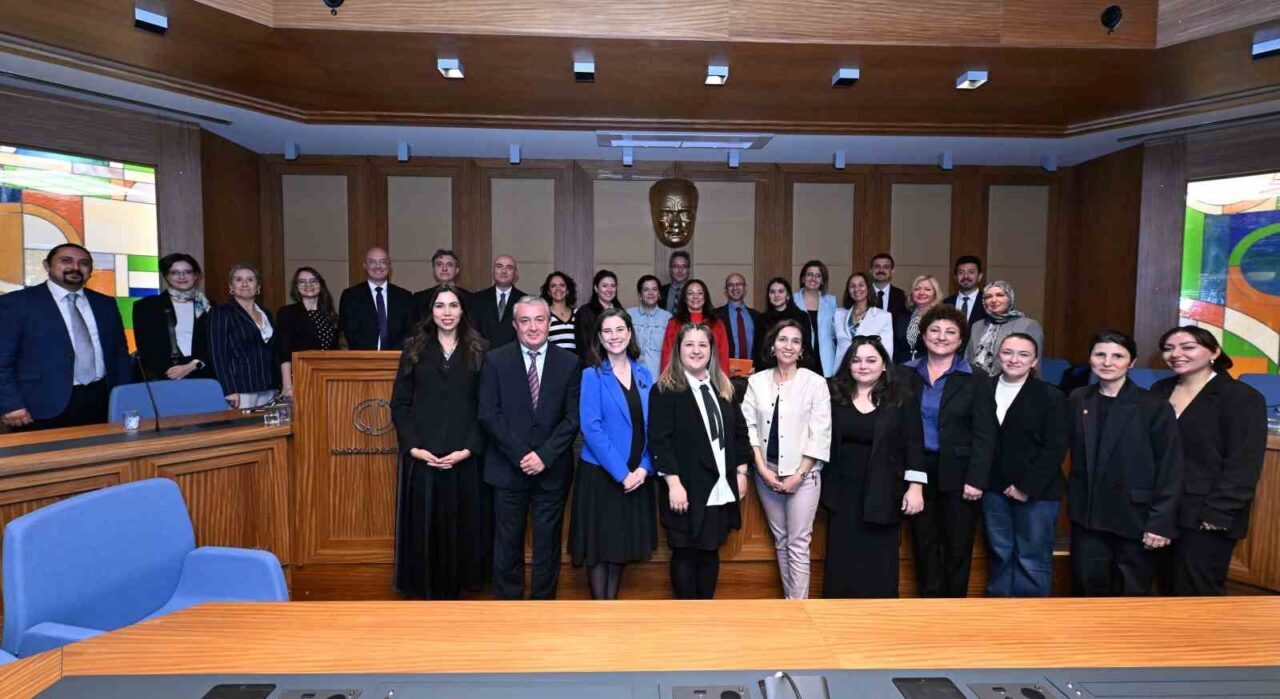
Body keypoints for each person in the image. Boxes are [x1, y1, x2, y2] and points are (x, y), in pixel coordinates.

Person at [1151, 326, 1267, 596]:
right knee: (1164, 587)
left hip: (1208, 513)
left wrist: (1220, 513)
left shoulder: (1242, 397)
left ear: (1214, 351)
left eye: (1188, 347)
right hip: (1163, 510)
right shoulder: (1159, 390)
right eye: (1169, 348)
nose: (1176, 354)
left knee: (1198, 591)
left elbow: (1243, 464)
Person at [390, 284, 489, 599]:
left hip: (464, 454)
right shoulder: (413, 348)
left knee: (464, 526)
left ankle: (462, 587)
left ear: (463, 311)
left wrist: (469, 448)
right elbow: (400, 404)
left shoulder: (480, 348)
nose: (447, 313)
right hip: (424, 454)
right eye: (440, 306)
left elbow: (486, 406)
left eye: (453, 306)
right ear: (430, 312)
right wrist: (414, 447)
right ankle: (424, 588)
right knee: (425, 526)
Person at [479, 295, 580, 599]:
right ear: (514, 325)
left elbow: (573, 418)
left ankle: (542, 605)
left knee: (548, 542)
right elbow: (488, 414)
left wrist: (544, 456)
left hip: (552, 470)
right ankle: (509, 606)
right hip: (507, 468)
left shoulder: (570, 362)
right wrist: (522, 455)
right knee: (508, 540)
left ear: (549, 324)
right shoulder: (496, 360)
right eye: (525, 321)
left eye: (539, 320)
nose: (533, 327)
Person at [1067, 330, 1182, 597]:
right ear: (1091, 359)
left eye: (1118, 356)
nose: (1108, 362)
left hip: (1136, 518)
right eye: (1100, 355)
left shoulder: (1153, 405)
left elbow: (1170, 467)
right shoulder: (1078, 398)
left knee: (1131, 595)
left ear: (1131, 363)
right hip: (1088, 517)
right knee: (1087, 589)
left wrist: (1160, 522)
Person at [649, 322, 750, 599]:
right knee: (684, 551)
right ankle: (686, 619)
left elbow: (740, 433)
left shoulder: (724, 387)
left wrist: (741, 473)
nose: (696, 350)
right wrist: (673, 483)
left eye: (702, 345)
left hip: (719, 484)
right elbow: (660, 441)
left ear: (711, 350)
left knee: (709, 549)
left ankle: (707, 613)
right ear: (678, 350)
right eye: (689, 345)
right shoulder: (664, 390)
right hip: (684, 486)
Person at [900, 305, 996, 597]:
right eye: (935, 330)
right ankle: (930, 608)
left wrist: (977, 478)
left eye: (950, 332)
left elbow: (985, 432)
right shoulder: (905, 374)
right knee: (924, 545)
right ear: (924, 335)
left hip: (961, 474)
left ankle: (955, 611)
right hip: (917, 470)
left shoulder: (977, 378)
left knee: (957, 547)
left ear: (961, 338)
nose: (942, 337)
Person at [822, 336, 925, 598]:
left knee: (879, 559)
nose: (863, 366)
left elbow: (914, 443)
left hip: (884, 488)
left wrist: (915, 487)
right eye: (856, 360)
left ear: (883, 366)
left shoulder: (902, 397)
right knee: (842, 556)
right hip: (841, 491)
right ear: (848, 365)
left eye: (871, 360)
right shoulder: (832, 394)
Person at [568, 308, 658, 599]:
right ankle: (600, 609)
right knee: (599, 548)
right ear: (599, 337)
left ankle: (612, 607)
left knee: (620, 547)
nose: (614, 336)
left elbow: (653, 426)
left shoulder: (644, 373)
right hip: (602, 476)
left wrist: (644, 468)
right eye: (607, 331)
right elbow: (591, 429)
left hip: (637, 476)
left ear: (630, 333)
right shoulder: (592, 375)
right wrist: (622, 474)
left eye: (620, 329)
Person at [741, 320, 831, 598]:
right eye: (783, 340)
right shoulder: (756, 382)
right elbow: (749, 427)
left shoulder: (815, 383)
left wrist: (799, 475)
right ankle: (789, 604)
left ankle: (800, 607)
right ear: (772, 345)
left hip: (803, 476)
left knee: (798, 542)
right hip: (766, 473)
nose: (788, 346)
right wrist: (760, 469)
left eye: (795, 341)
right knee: (781, 540)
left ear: (802, 349)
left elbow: (821, 432)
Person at [0, 243, 130, 430]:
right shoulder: (16, 304)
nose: (75, 268)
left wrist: (125, 397)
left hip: (101, 401)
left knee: (101, 457)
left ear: (90, 270)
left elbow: (120, 355)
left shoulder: (105, 304)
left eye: (84, 263)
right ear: (47, 265)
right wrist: (11, 404)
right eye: (66, 261)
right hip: (39, 406)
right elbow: (3, 360)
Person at [981, 333, 1067, 597]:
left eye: (1023, 354)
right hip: (994, 489)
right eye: (1007, 352)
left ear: (1034, 361)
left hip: (1037, 493)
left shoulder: (1050, 395)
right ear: (998, 355)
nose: (1013, 359)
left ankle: (1030, 621)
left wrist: (1024, 486)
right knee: (1000, 553)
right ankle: (1000, 614)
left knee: (1032, 558)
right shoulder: (983, 388)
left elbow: (1055, 448)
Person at [208, 263, 280, 409]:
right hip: (240, 389)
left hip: (269, 387)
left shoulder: (267, 313)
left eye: (250, 279)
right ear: (231, 286)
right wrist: (229, 389)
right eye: (239, 279)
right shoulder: (221, 312)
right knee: (243, 430)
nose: (245, 284)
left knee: (268, 430)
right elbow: (217, 354)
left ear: (258, 286)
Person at [132, 252, 212, 382]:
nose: (182, 276)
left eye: (188, 272)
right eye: (174, 272)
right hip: (165, 377)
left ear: (196, 275)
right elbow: (147, 347)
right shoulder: (146, 306)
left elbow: (216, 345)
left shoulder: (209, 307)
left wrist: (193, 365)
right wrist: (172, 372)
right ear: (166, 276)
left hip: (204, 375)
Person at [276, 267, 340, 399]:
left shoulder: (330, 315)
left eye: (313, 281)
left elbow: (334, 351)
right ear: (296, 286)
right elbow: (284, 352)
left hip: (326, 377)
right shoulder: (288, 313)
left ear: (320, 284)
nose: (308, 285)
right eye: (302, 282)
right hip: (300, 378)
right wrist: (287, 385)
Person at [338, 247, 414, 350]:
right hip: (361, 360)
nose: (378, 266)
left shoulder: (405, 297)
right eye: (372, 262)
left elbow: (410, 332)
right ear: (365, 265)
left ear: (389, 266)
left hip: (397, 359)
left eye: (383, 262)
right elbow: (349, 331)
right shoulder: (350, 296)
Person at [966, 281, 1044, 377]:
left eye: (1000, 295)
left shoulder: (1028, 325)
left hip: (1011, 384)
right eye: (988, 297)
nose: (993, 300)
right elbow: (968, 358)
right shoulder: (977, 325)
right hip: (975, 383)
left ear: (1009, 298)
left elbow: (1034, 365)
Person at [659, 279, 730, 372]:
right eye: (690, 293)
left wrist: (722, 382)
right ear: (685, 298)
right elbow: (667, 356)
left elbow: (723, 355)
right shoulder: (674, 323)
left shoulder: (717, 324)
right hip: (680, 379)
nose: (695, 297)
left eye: (700, 293)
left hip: (711, 377)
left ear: (705, 298)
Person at [757, 277, 819, 374]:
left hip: (797, 369)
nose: (776, 295)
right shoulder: (761, 319)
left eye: (781, 291)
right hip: (768, 370)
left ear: (788, 295)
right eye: (772, 292)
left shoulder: (802, 317)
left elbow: (806, 347)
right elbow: (758, 350)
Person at [834, 271, 894, 363]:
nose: (857, 289)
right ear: (848, 290)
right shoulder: (839, 314)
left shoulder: (884, 316)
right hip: (841, 369)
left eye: (861, 285)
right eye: (852, 286)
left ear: (868, 288)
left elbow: (887, 351)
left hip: (867, 369)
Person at [793, 260, 839, 377]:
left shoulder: (831, 301)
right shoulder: (792, 300)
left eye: (818, 275)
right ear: (803, 279)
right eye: (809, 274)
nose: (813, 278)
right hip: (800, 356)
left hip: (825, 358)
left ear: (822, 281)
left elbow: (836, 331)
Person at [469, 255, 525, 348]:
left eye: (509, 267)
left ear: (515, 273)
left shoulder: (524, 301)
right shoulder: (477, 299)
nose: (503, 271)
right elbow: (473, 332)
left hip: (514, 357)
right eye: (499, 266)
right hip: (484, 357)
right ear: (492, 271)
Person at [626, 274, 672, 380]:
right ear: (640, 294)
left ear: (659, 293)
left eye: (654, 289)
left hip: (658, 377)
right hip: (631, 376)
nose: (651, 293)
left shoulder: (668, 318)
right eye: (646, 289)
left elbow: (671, 352)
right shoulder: (629, 315)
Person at [891, 275, 944, 365]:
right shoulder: (902, 318)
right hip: (903, 370)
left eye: (927, 289)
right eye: (917, 289)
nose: (921, 292)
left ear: (935, 294)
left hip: (930, 368)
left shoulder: (940, 318)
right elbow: (896, 348)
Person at [574, 269, 623, 360]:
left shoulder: (621, 312)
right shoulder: (584, 312)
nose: (609, 290)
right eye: (604, 286)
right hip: (594, 366)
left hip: (619, 365)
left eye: (613, 286)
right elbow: (583, 347)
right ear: (596, 288)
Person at [713, 273, 761, 364]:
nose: (735, 287)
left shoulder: (757, 316)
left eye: (739, 284)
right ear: (726, 290)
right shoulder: (716, 316)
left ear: (745, 288)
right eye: (730, 285)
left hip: (753, 372)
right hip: (725, 371)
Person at [411, 248, 469, 321]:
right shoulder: (418, 299)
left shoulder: (469, 298)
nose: (444, 269)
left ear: (457, 270)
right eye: (439, 264)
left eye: (449, 265)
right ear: (433, 269)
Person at [944, 255, 988, 331]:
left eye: (971, 272)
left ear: (980, 276)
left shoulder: (988, 302)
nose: (966, 276)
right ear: (955, 277)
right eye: (961, 272)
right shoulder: (946, 303)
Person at [541, 271, 578, 354]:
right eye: (553, 286)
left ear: (568, 290)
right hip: (552, 364)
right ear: (548, 292)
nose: (558, 288)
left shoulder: (578, 314)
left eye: (562, 285)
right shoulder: (543, 314)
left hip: (576, 364)